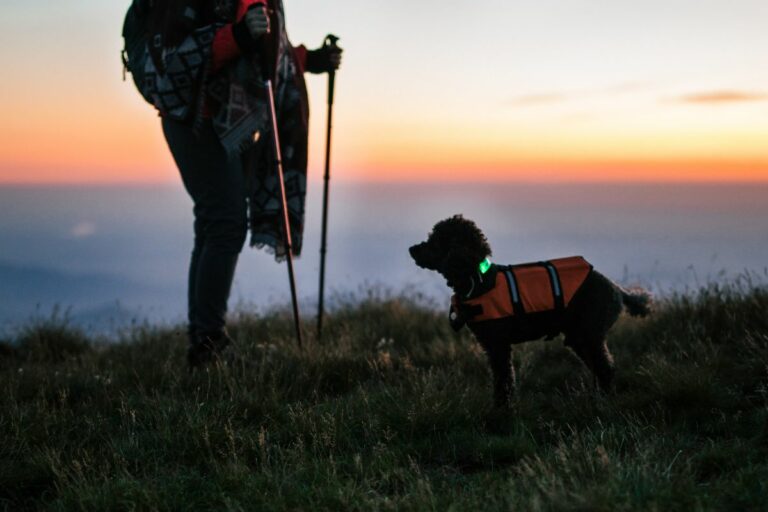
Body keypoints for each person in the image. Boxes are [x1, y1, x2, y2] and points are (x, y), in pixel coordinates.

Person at [145, 0, 341, 367]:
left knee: (214, 223)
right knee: (225, 221)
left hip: (223, 123)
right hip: (194, 120)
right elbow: (175, 58)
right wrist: (238, 35)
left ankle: (203, 338)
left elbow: (269, 52)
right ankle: (207, 342)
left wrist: (311, 60)